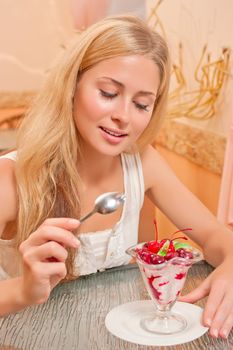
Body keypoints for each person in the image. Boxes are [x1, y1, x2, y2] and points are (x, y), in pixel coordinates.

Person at [0, 15, 233, 340]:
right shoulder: (11, 179)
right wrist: (22, 291)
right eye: (109, 93)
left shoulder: (143, 163)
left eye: (141, 104)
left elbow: (214, 236)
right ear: (72, 85)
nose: (124, 116)